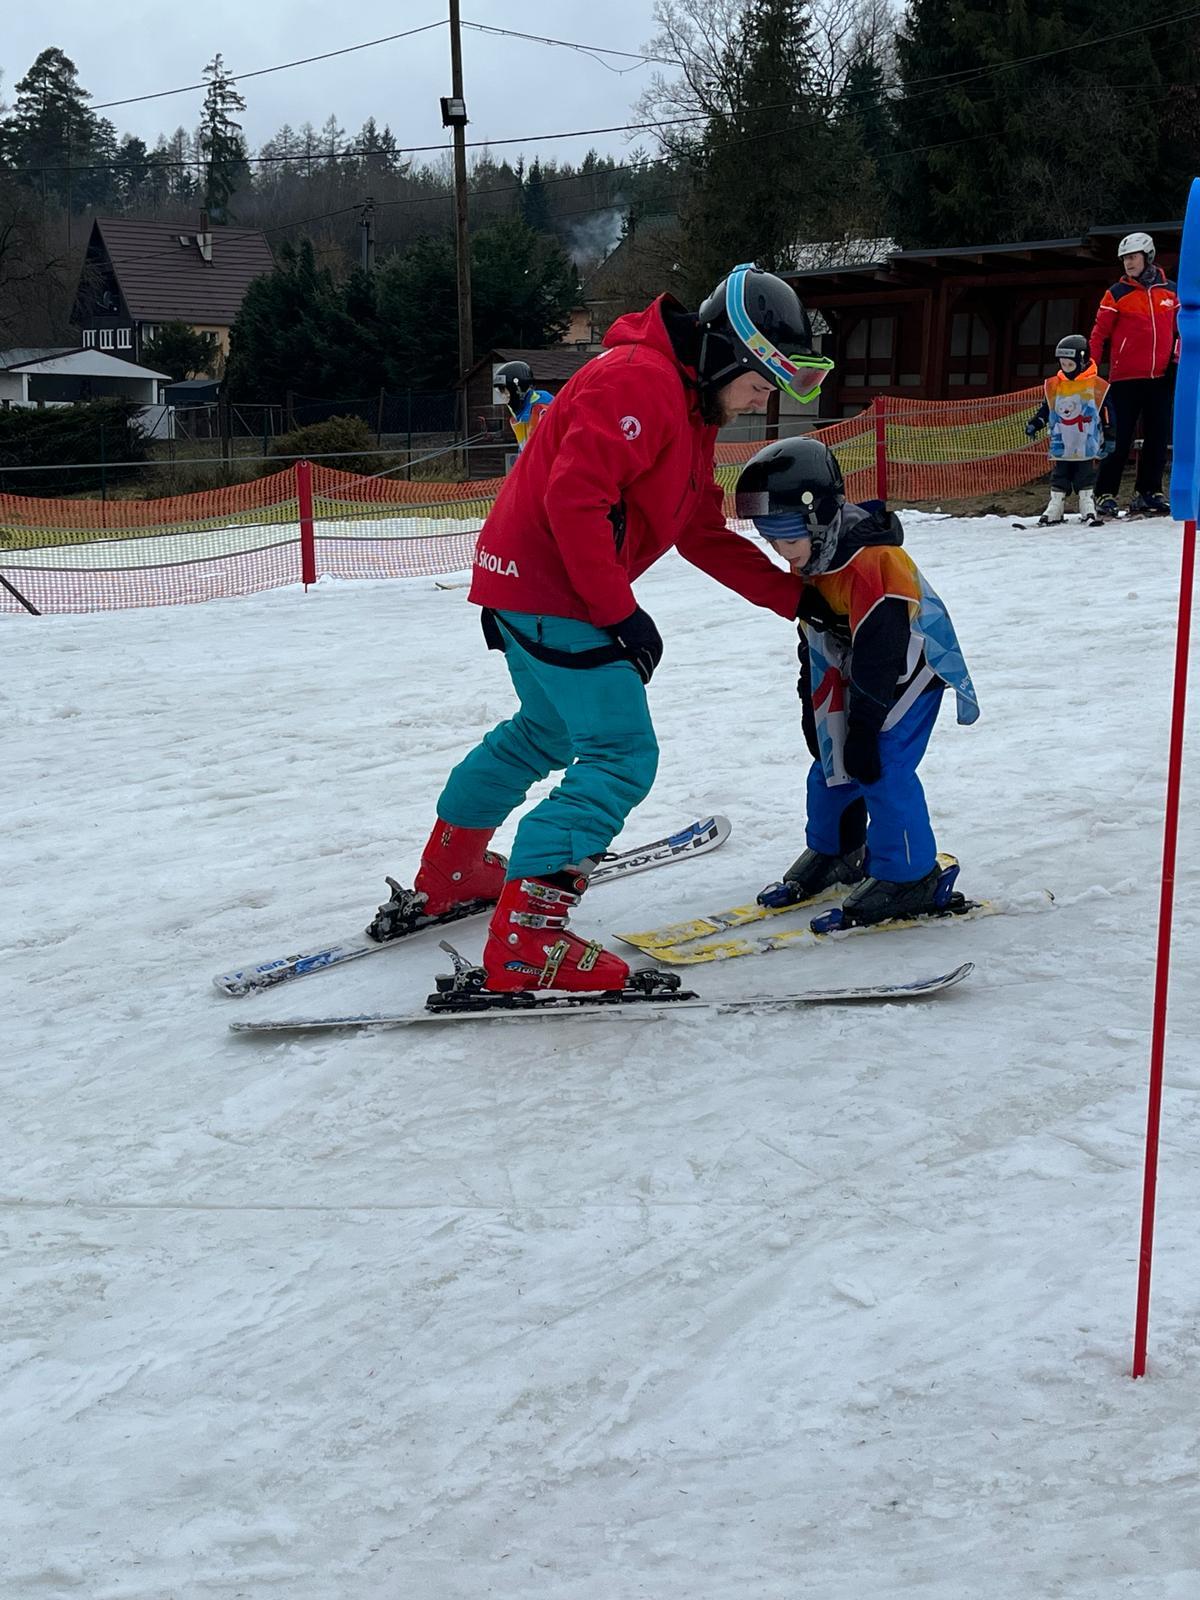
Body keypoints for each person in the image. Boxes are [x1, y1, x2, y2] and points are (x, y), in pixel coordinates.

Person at [370, 264, 836, 993]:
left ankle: (451, 872)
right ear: (724, 354)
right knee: (621, 756)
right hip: (554, 592)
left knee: (544, 732)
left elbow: (698, 532)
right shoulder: (640, 381)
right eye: (759, 382)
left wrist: (795, 599)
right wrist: (621, 615)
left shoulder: (689, 409)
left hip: (525, 587)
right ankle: (527, 944)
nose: (762, 400)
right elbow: (575, 500)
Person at [735, 436, 979, 927]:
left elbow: (881, 654)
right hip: (855, 668)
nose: (783, 553)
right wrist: (812, 709)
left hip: (908, 672)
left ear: (818, 518)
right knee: (831, 761)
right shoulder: (815, 555)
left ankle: (910, 876)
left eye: (788, 540)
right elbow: (813, 637)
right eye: (771, 541)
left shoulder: (874, 562)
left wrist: (864, 728)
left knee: (881, 768)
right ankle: (838, 850)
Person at [1089, 232, 1179, 519]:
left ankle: (1149, 492)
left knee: (1157, 437)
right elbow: (1099, 334)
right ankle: (1105, 493)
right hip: (1124, 379)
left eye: (1133, 257)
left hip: (1160, 378)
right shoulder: (1116, 293)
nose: (1128, 263)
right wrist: (1090, 368)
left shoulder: (1171, 292)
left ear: (1148, 257)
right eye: (1125, 259)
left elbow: (1181, 330)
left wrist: (1176, 358)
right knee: (1119, 438)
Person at [1024, 333, 1114, 527]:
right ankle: (1056, 505)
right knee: (1060, 474)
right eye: (1062, 364)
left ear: (1081, 361)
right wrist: (1036, 422)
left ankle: (1087, 504)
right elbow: (1047, 408)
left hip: (1086, 442)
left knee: (1085, 473)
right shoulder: (1055, 385)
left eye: (1070, 365)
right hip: (1062, 442)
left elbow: (1107, 412)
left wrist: (1110, 435)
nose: (1065, 368)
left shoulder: (1096, 385)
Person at [494, 361, 555, 453]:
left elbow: (544, 452)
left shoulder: (541, 413)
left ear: (517, 389)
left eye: (504, 391)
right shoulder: (522, 415)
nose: (504, 397)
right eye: (500, 392)